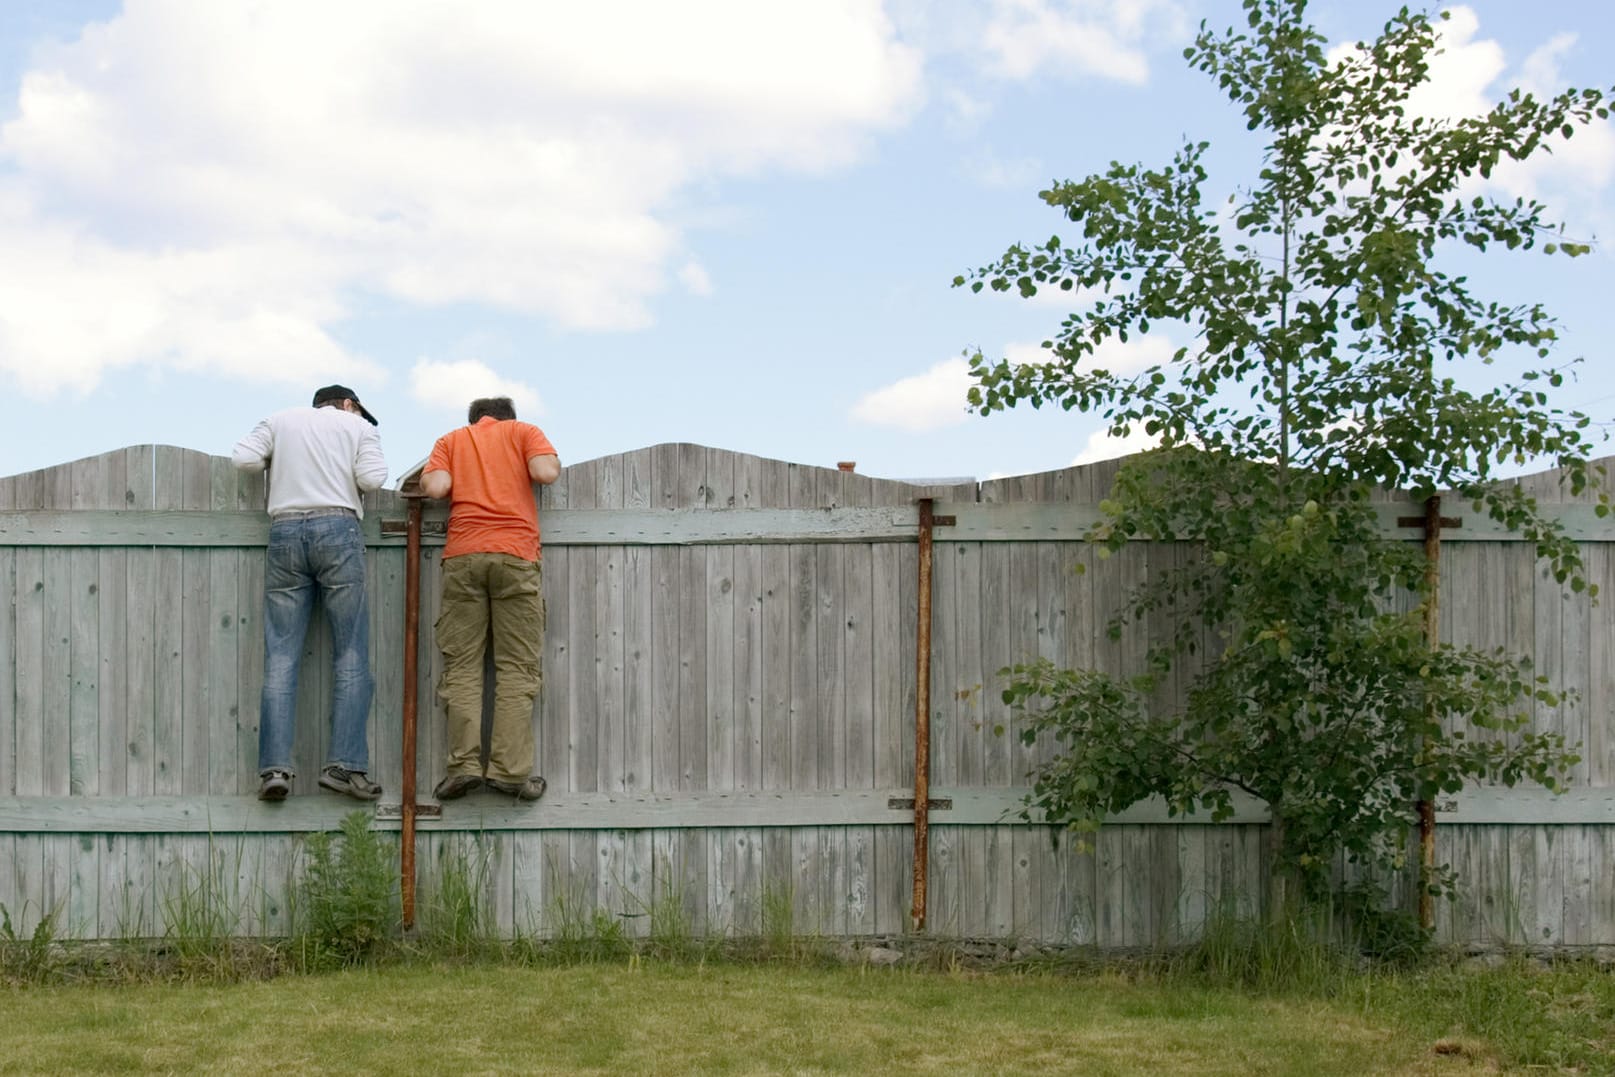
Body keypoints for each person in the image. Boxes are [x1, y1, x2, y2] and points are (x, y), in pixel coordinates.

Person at [233, 385, 388, 802]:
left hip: (284, 530)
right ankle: (344, 766)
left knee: (280, 657)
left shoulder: (279, 419)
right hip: (338, 528)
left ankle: (274, 771)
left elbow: (244, 459)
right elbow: (372, 479)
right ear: (350, 405)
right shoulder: (357, 427)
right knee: (351, 653)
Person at [420, 396, 559, 802]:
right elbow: (545, 472)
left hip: (463, 556)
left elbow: (437, 487)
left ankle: (463, 767)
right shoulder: (524, 432)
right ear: (507, 418)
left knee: (462, 666)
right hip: (515, 555)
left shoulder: (451, 440)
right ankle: (510, 773)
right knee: (516, 667)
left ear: (474, 419)